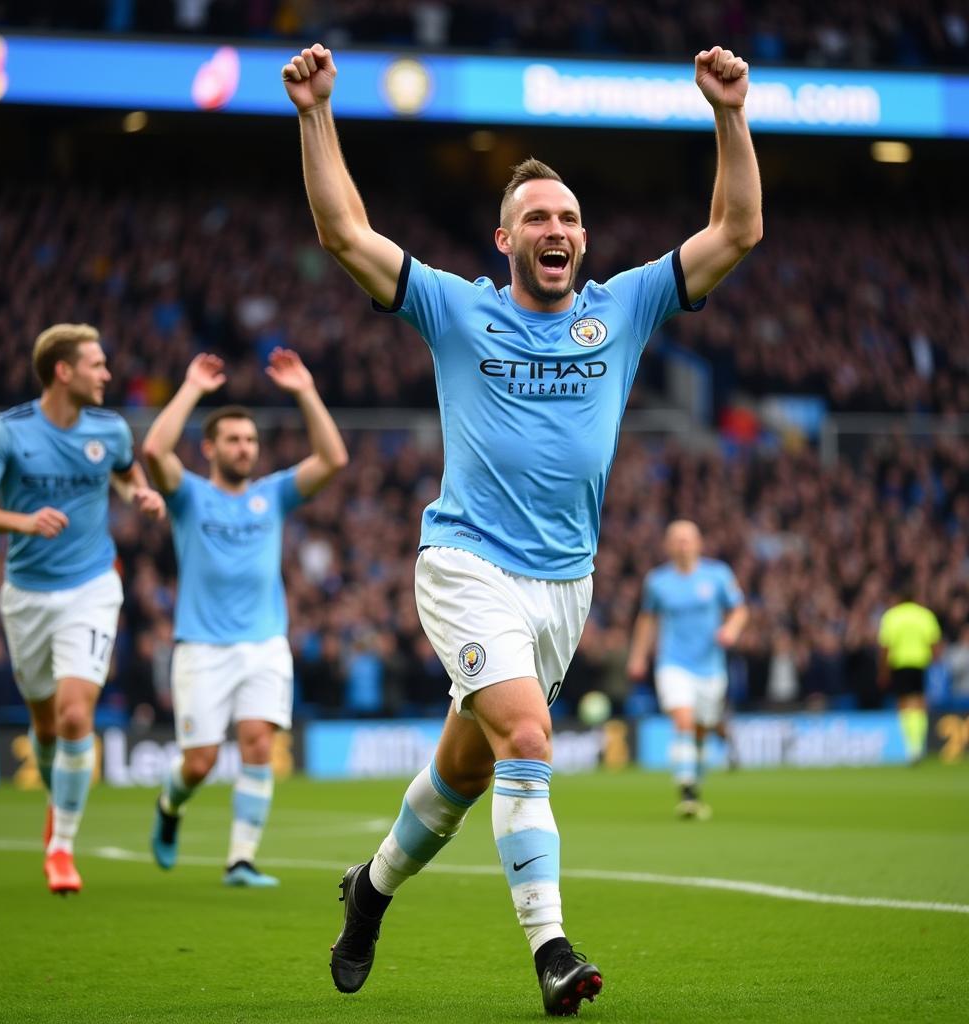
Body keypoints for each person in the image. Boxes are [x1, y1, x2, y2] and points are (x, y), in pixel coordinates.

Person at [282, 40, 761, 1016]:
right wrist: (315, 113)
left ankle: (369, 889)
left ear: (583, 241)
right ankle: (550, 947)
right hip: (465, 560)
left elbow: (737, 229)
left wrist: (728, 113)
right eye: (537, 216)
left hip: (564, 585)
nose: (557, 227)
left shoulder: (622, 307)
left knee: (465, 769)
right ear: (505, 241)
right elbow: (342, 233)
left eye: (570, 217)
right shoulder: (456, 309)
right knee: (530, 734)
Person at [0, 322, 165, 894]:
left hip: (93, 585)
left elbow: (124, 475)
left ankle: (62, 847)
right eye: (97, 365)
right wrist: (23, 520)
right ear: (63, 371)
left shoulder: (110, 429)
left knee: (76, 716)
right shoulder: (9, 432)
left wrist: (139, 494)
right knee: (46, 726)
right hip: (26, 594)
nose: (108, 374)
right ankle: (58, 804)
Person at [142, 349, 347, 886]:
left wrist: (304, 390)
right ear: (210, 448)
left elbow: (332, 460)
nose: (245, 448)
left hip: (264, 642)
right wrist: (190, 388)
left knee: (258, 742)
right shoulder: (189, 496)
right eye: (233, 439)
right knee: (200, 762)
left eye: (251, 440)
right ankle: (170, 807)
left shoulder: (271, 494)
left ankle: (240, 860)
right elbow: (154, 450)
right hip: (202, 647)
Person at [628, 521, 748, 819]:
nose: (682, 544)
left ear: (699, 543)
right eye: (676, 540)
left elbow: (740, 609)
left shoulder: (718, 574)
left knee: (700, 728)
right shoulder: (657, 581)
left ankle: (701, 767)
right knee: (683, 719)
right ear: (668, 546)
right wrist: (638, 656)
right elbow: (647, 620)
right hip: (673, 663)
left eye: (687, 539)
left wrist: (731, 629)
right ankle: (688, 791)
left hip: (710, 666)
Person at [877, 589, 942, 763]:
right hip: (920, 664)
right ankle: (919, 745)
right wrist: (936, 666)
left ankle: (910, 747)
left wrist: (883, 671)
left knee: (904, 704)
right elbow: (935, 645)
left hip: (900, 665)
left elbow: (885, 647)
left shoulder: (892, 616)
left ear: (898, 598)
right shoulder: (924, 615)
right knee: (920, 703)